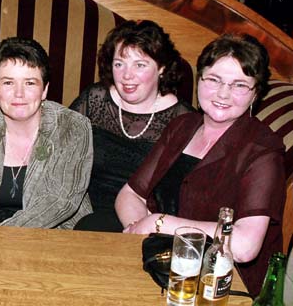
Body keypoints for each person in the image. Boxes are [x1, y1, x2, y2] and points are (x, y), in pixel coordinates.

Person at [115, 34, 285, 295]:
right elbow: (130, 193)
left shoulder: (263, 150)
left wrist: (159, 224)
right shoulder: (183, 126)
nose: (223, 93)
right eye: (214, 80)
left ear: (255, 94)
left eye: (239, 85)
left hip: (221, 284)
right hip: (163, 267)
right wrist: (145, 236)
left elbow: (243, 246)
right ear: (199, 80)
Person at [0, 37, 93, 228]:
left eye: (30, 83)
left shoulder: (73, 128)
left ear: (44, 89)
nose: (19, 93)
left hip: (58, 238)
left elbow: (60, 201)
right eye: (8, 83)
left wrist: (1, 237)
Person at [71, 20, 194, 232]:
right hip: (83, 209)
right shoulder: (95, 99)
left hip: (141, 217)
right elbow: (59, 143)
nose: (127, 75)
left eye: (140, 65)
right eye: (119, 64)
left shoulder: (182, 119)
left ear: (162, 68)